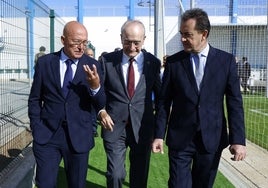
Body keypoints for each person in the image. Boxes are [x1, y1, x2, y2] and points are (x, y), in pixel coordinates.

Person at [152, 8, 246, 188]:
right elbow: (164, 102)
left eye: (187, 34)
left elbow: (234, 103)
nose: (182, 39)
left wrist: (238, 140)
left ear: (204, 34)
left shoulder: (225, 62)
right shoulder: (174, 63)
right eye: (181, 34)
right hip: (180, 138)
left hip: (211, 139)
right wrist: (158, 135)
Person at [28, 21, 105, 188]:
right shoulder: (45, 63)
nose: (81, 47)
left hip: (78, 136)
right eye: (76, 42)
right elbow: (35, 99)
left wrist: (95, 87)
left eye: (85, 42)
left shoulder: (94, 66)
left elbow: (101, 103)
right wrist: (36, 126)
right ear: (63, 40)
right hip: (47, 135)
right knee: (45, 184)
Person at [98, 19, 161, 188]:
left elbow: (161, 98)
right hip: (114, 127)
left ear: (144, 39)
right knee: (115, 175)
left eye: (136, 43)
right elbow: (98, 92)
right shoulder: (106, 61)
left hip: (142, 128)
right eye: (128, 42)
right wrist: (101, 111)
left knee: (139, 177)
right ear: (121, 38)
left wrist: (159, 132)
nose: (132, 47)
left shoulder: (153, 63)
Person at [85, 47, 99, 137]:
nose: (90, 57)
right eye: (88, 55)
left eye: (91, 55)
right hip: (84, 93)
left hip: (93, 93)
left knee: (93, 111)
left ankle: (93, 129)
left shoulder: (96, 65)